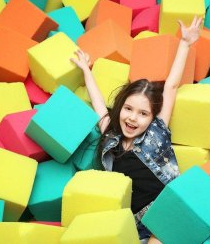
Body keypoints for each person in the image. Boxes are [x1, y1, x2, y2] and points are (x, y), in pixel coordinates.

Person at [71, 16, 202, 244]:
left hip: (167, 209)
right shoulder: (112, 139)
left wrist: (185, 44)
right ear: (120, 107)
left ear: (152, 118)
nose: (132, 118)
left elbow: (170, 87)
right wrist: (86, 70)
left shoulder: (156, 134)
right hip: (136, 223)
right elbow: (99, 105)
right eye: (128, 109)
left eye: (143, 114)